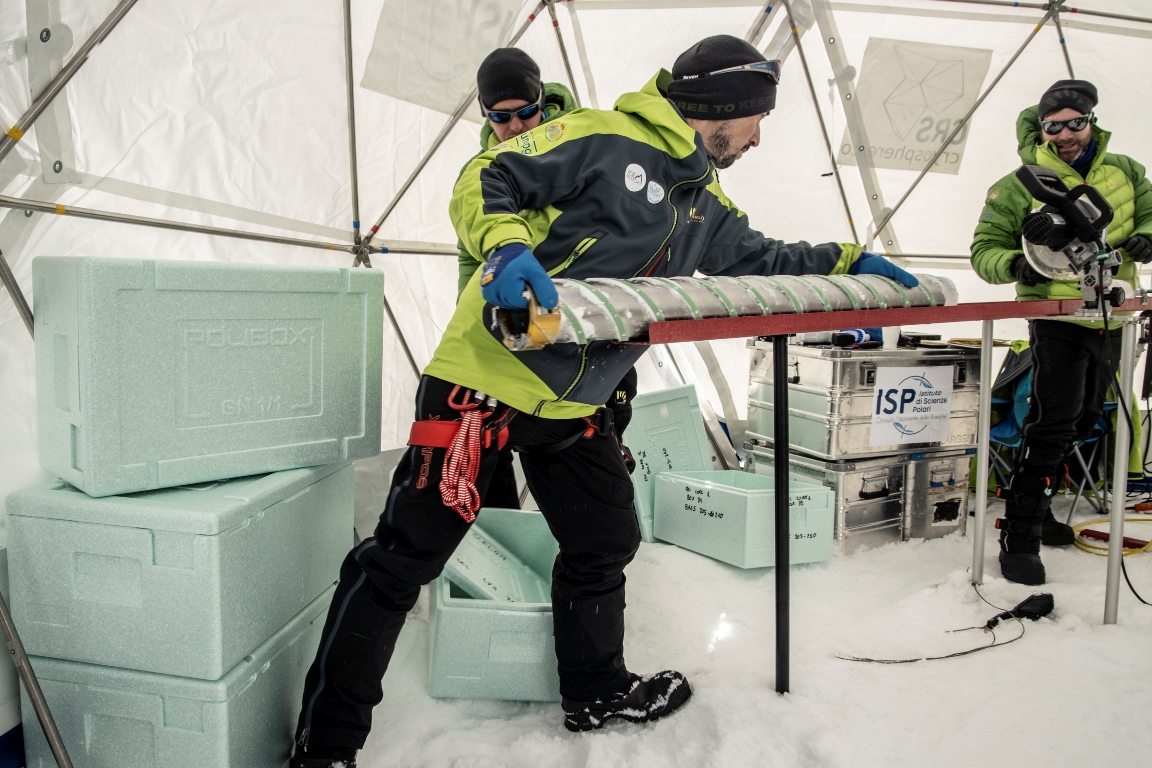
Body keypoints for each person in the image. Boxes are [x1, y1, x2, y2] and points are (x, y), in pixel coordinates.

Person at [291, 35, 917, 767]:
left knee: (604, 540)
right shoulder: (602, 138)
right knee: (402, 559)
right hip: (486, 383)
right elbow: (491, 175)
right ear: (724, 105)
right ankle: (326, 746)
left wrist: (848, 267)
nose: (758, 136)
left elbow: (763, 259)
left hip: (575, 403)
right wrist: (502, 246)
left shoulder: (703, 203)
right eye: (757, 119)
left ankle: (596, 692)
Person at [971, 79, 1152, 586]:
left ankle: (1042, 507)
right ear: (1042, 128)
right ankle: (1019, 536)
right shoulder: (1016, 183)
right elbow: (984, 250)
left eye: (1076, 122)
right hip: (1055, 318)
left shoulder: (1126, 171)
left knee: (1090, 415)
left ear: (1092, 121)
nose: (1066, 134)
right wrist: (1018, 266)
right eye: (1054, 126)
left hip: (1112, 316)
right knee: (1052, 424)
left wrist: (1146, 241)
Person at [454, 48, 639, 511]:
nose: (515, 127)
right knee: (489, 458)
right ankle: (504, 542)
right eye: (500, 117)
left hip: (596, 329)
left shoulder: (582, 143)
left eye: (526, 113)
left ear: (543, 101)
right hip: (526, 329)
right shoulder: (483, 174)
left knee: (597, 474)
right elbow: (469, 263)